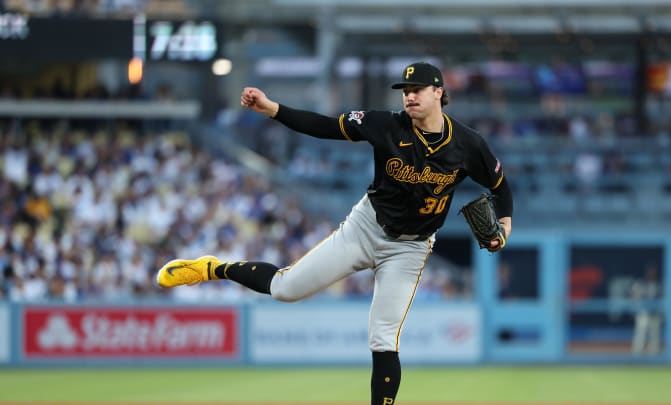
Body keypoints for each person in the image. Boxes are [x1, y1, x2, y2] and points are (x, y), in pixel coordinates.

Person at [155, 61, 513, 405]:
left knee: (384, 338)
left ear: (438, 92)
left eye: (417, 89)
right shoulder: (384, 125)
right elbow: (324, 126)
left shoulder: (468, 144)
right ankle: (212, 268)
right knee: (284, 289)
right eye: (405, 90)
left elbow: (500, 186)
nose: (409, 96)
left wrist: (506, 224)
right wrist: (272, 108)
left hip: (410, 248)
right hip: (365, 228)